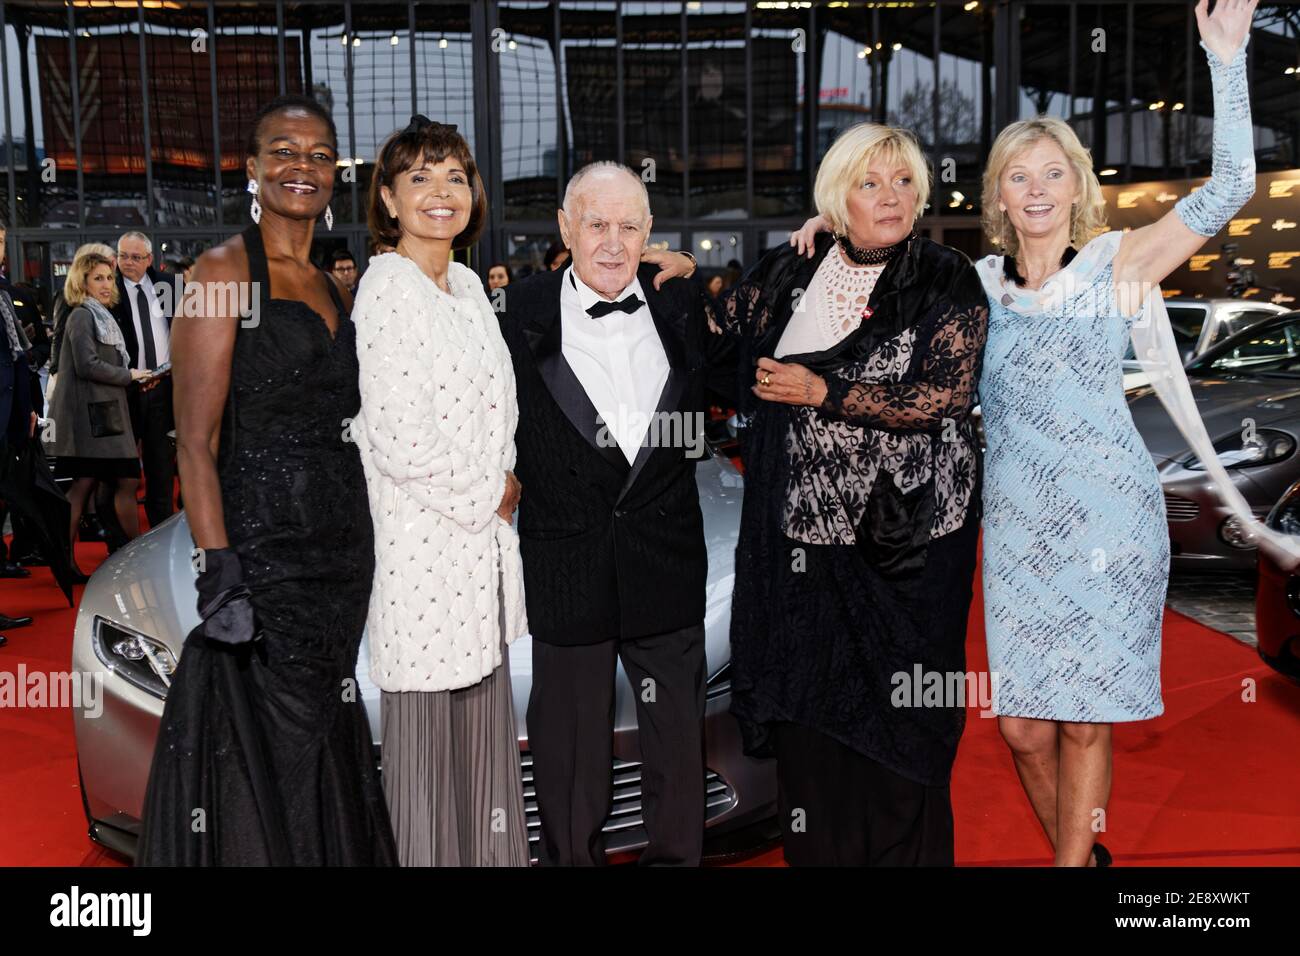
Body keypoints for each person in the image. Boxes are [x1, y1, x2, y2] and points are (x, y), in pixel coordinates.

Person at [971, 0, 1263, 868]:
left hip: (1108, 526)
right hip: (1017, 534)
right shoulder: (977, 287)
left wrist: (1227, 60)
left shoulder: (1118, 262)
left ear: (1078, 187)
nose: (1035, 190)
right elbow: (876, 253)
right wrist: (821, 234)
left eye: (1052, 173)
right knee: (1023, 728)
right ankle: (1086, 860)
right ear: (997, 194)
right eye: (1018, 176)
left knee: (1082, 717)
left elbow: (1234, 186)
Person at [137, 94, 397, 866]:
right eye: (284, 151)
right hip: (264, 555)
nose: (303, 167)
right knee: (274, 746)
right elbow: (195, 441)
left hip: (341, 559)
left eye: (320, 155)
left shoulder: (332, 286)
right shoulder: (220, 272)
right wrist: (220, 569)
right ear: (251, 168)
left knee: (322, 735)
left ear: (335, 176)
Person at [732, 123, 988, 866]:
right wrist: (677, 273)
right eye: (871, 183)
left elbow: (942, 392)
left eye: (904, 181)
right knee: (813, 725)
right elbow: (717, 336)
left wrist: (822, 389)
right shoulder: (792, 269)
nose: (892, 196)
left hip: (905, 554)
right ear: (837, 197)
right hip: (802, 552)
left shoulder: (945, 275)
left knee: (904, 725)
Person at [497, 161, 719, 866]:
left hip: (666, 563)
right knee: (568, 766)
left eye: (629, 226)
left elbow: (768, 327)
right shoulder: (515, 313)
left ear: (650, 233)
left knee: (678, 758)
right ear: (566, 228)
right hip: (567, 566)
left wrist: (822, 226)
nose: (613, 242)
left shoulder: (682, 304)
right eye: (597, 223)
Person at [350, 115, 529, 866]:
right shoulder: (387, 289)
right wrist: (493, 489)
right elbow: (398, 437)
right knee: (424, 759)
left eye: (455, 174)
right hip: (421, 556)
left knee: (483, 747)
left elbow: (497, 409)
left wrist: (499, 487)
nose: (441, 190)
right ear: (388, 199)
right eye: (419, 176)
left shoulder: (461, 284)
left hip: (476, 557)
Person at [43, 246, 148, 581]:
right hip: (91, 421)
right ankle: (122, 557)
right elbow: (87, 365)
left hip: (104, 415)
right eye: (97, 278)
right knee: (99, 485)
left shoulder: (99, 314)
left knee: (96, 486)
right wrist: (130, 376)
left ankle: (121, 554)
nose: (106, 284)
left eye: (108, 277)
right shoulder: (81, 315)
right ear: (82, 282)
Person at [110, 231, 175, 528]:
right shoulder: (107, 289)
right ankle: (119, 541)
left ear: (150, 259)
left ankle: (160, 533)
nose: (128, 262)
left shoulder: (171, 286)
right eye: (123, 255)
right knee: (120, 471)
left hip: (163, 389)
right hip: (123, 391)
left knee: (161, 468)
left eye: (136, 257)